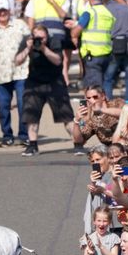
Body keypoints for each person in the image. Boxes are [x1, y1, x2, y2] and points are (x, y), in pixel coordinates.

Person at [21, 24, 79, 157]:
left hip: (55, 81)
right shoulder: (28, 42)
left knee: (66, 115)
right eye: (37, 38)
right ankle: (32, 145)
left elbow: (57, 61)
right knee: (31, 115)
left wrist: (43, 48)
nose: (40, 40)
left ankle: (78, 144)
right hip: (35, 82)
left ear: (47, 36)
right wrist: (28, 48)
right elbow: (17, 60)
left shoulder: (54, 42)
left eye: (42, 38)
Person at [0, 6, 30, 147]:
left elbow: (31, 42)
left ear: (9, 11)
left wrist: (26, 54)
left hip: (21, 72)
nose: (2, 14)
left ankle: (24, 135)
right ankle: (7, 136)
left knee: (23, 104)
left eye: (5, 11)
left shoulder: (20, 25)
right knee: (3, 106)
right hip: (2, 74)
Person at [73, 0, 115, 91]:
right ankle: (105, 100)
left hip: (92, 54)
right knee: (104, 85)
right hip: (107, 53)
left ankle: (94, 101)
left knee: (93, 87)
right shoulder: (108, 13)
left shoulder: (89, 12)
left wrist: (73, 32)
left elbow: (76, 32)